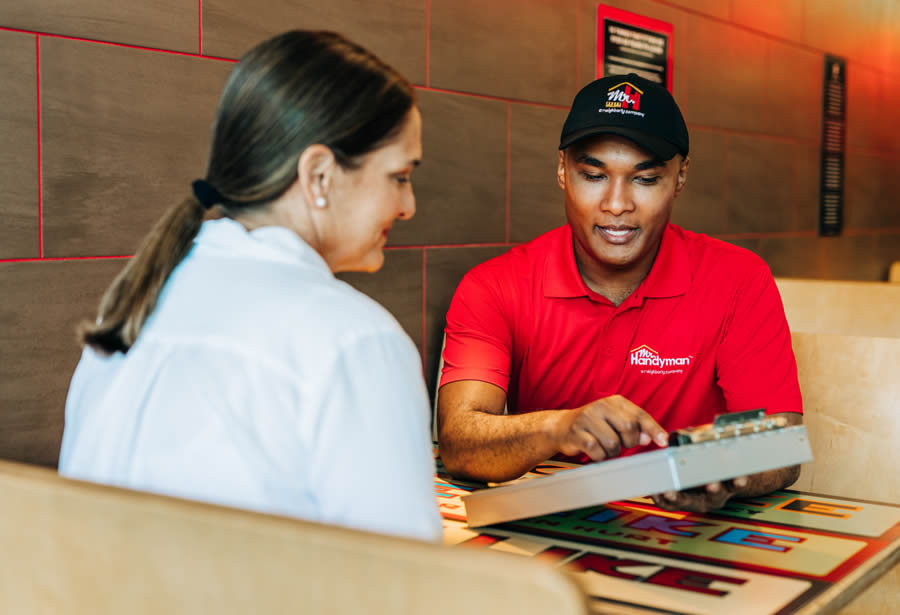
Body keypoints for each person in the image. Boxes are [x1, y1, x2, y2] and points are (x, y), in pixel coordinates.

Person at [58, 30, 442, 542]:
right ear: (320, 176)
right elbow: (406, 586)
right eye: (399, 176)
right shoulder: (356, 341)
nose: (409, 205)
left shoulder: (132, 307)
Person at [437, 73, 802, 513]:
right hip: (548, 536)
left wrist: (720, 469)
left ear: (680, 178)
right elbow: (459, 439)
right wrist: (558, 428)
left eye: (644, 180)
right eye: (593, 175)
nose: (616, 204)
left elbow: (782, 445)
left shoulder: (739, 278)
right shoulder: (494, 286)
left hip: (694, 534)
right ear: (561, 170)